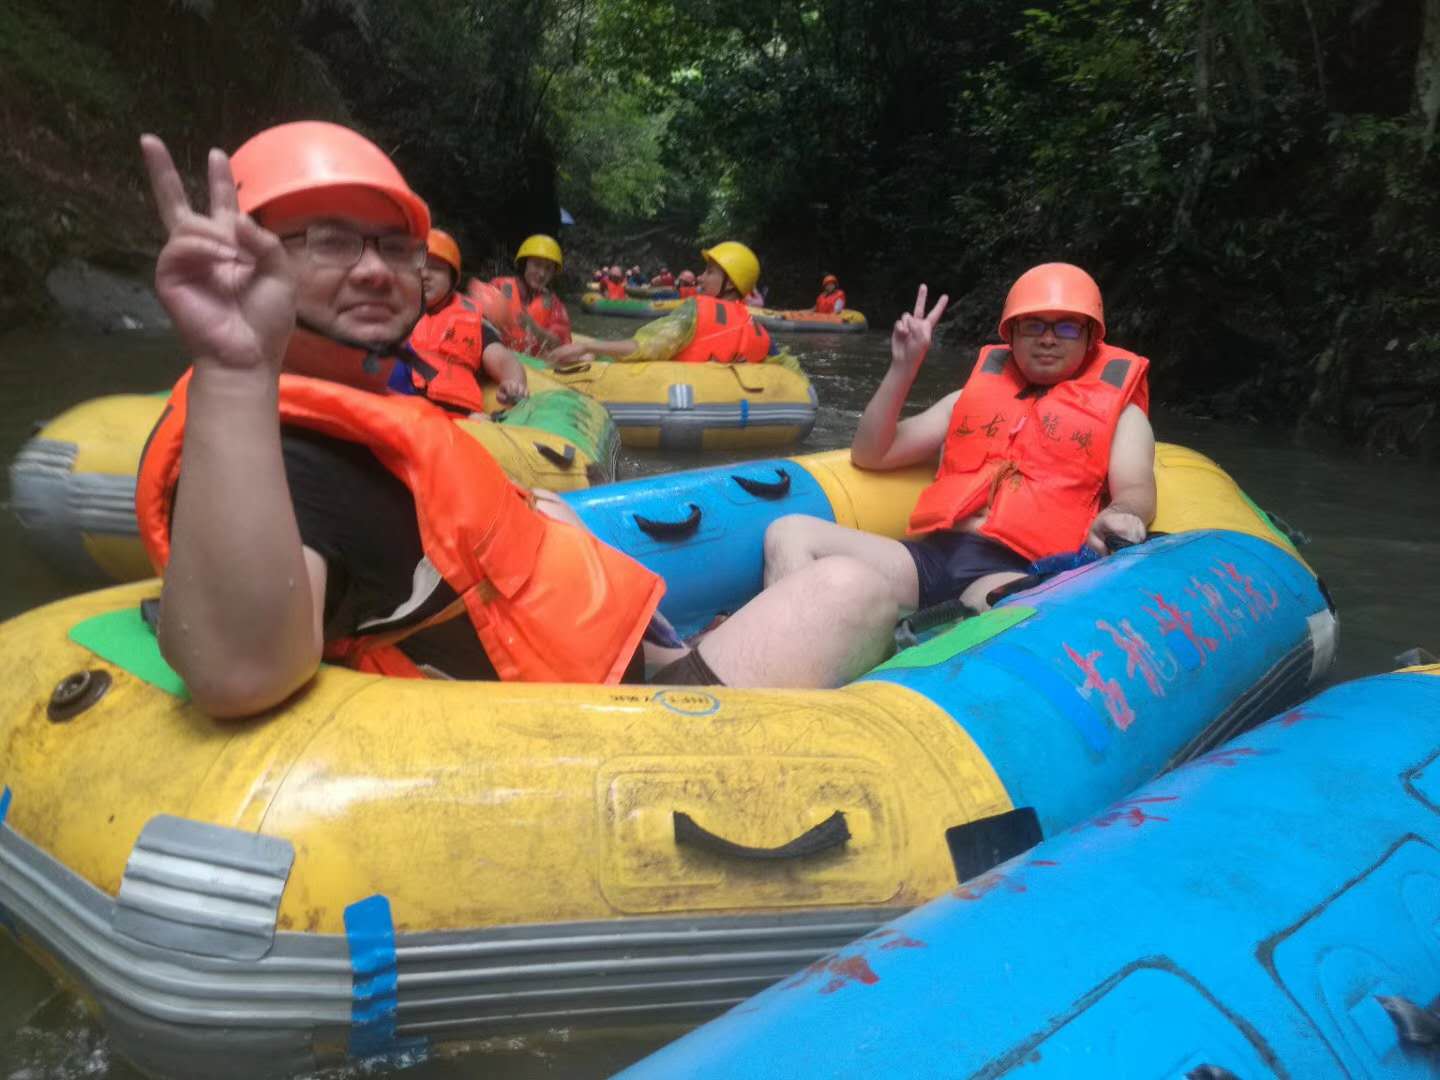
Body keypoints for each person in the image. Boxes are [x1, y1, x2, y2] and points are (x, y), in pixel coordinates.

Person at [134, 121, 897, 719]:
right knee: (856, 587)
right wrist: (235, 365)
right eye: (330, 242)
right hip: (625, 720)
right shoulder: (292, 460)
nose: (374, 268)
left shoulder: (368, 412)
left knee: (565, 513)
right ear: (247, 263)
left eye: (395, 248)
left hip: (615, 654)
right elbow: (240, 672)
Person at [764, 264, 1156, 617]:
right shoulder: (963, 401)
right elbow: (871, 454)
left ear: (1090, 338)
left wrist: (1123, 513)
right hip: (930, 559)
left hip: (1014, 572)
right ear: (1012, 335)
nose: (1048, 339)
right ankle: (788, 651)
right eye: (1033, 326)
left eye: (1067, 327)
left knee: (987, 610)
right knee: (790, 534)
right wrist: (904, 367)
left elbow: (1136, 491)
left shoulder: (1123, 418)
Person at [548, 241, 773, 366]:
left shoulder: (696, 311)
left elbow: (643, 347)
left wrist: (588, 347)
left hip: (676, 393)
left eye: (710, 272)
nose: (701, 278)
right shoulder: (760, 331)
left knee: (594, 358)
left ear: (730, 283)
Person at [405, 227, 527, 412]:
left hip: (455, 414)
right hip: (400, 405)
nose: (424, 275)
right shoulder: (389, 315)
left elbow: (503, 359)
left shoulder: (472, 322)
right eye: (417, 267)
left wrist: (514, 383)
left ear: (452, 279)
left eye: (435, 268)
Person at [485, 233, 572, 357]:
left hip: (533, 363)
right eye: (537, 264)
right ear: (524, 264)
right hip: (500, 358)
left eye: (548, 268)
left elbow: (561, 345)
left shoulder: (553, 304)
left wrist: (534, 328)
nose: (542, 274)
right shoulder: (500, 287)